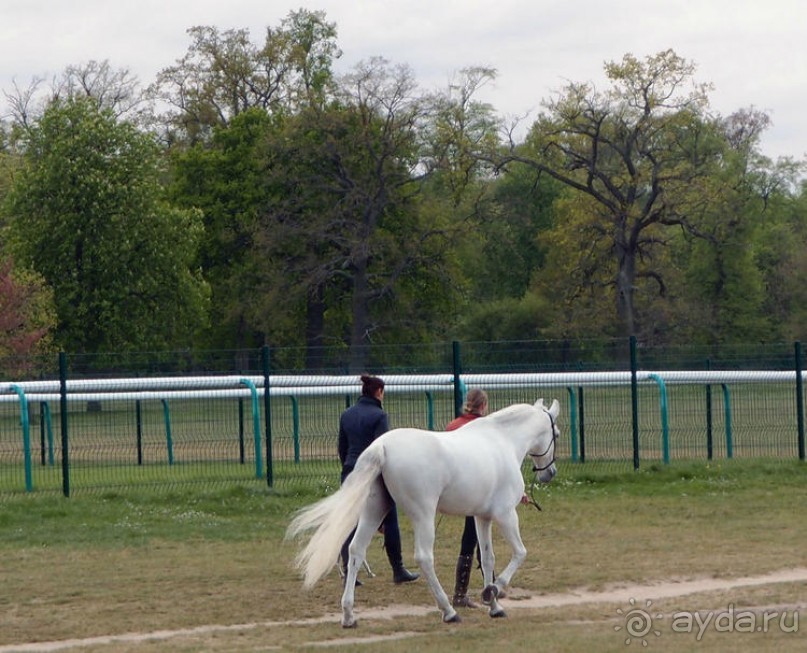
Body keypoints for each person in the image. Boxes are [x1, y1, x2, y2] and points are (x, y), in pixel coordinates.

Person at [338, 374, 419, 585]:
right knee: (390, 519)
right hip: (373, 473)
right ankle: (398, 568)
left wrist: (348, 467)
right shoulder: (379, 416)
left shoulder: (346, 414)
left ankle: (349, 571)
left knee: (350, 521)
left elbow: (342, 448)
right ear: (379, 392)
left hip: (350, 470)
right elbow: (382, 448)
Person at [445, 388, 489, 608]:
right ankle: (466, 592)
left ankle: (470, 588)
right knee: (476, 535)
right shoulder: (485, 428)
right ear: (483, 406)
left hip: (454, 488)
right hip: (479, 489)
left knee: (472, 536)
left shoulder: (453, 426)